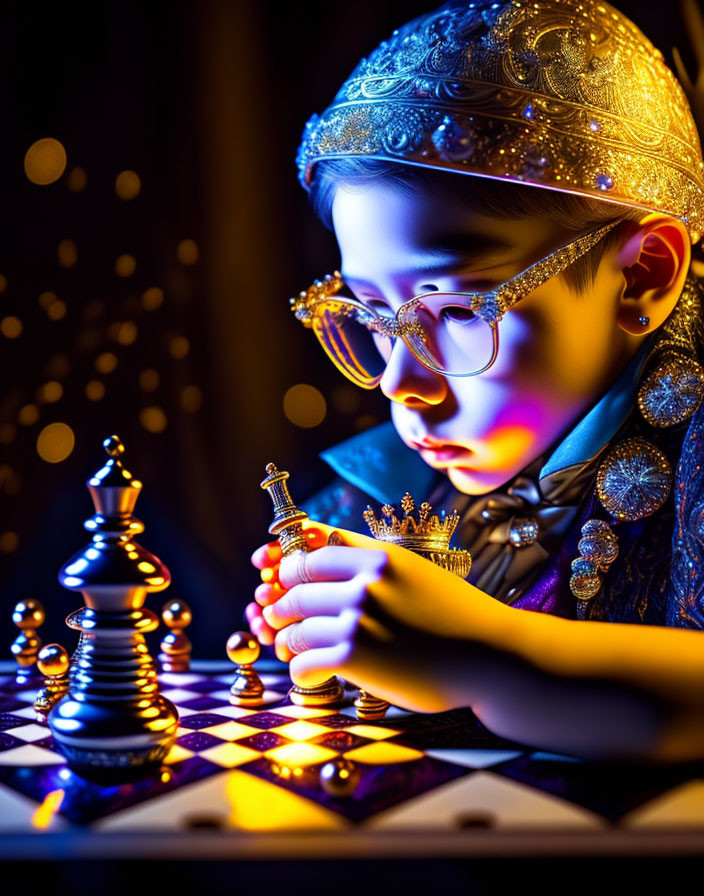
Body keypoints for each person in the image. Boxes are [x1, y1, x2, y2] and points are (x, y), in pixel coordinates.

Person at [247, 0, 704, 762]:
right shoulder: (408, 487)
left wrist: (486, 659)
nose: (400, 383)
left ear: (642, 277)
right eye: (370, 316)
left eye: (456, 310)